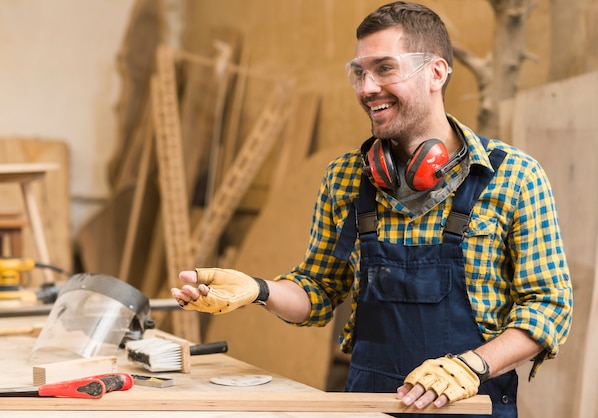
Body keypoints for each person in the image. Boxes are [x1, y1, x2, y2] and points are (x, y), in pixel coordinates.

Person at [171, 2, 573, 416]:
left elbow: (549, 307)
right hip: (371, 405)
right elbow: (319, 290)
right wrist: (259, 290)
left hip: (470, 407)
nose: (366, 88)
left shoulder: (514, 177)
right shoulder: (347, 178)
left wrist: (471, 365)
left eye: (384, 68)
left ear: (436, 72)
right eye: (359, 73)